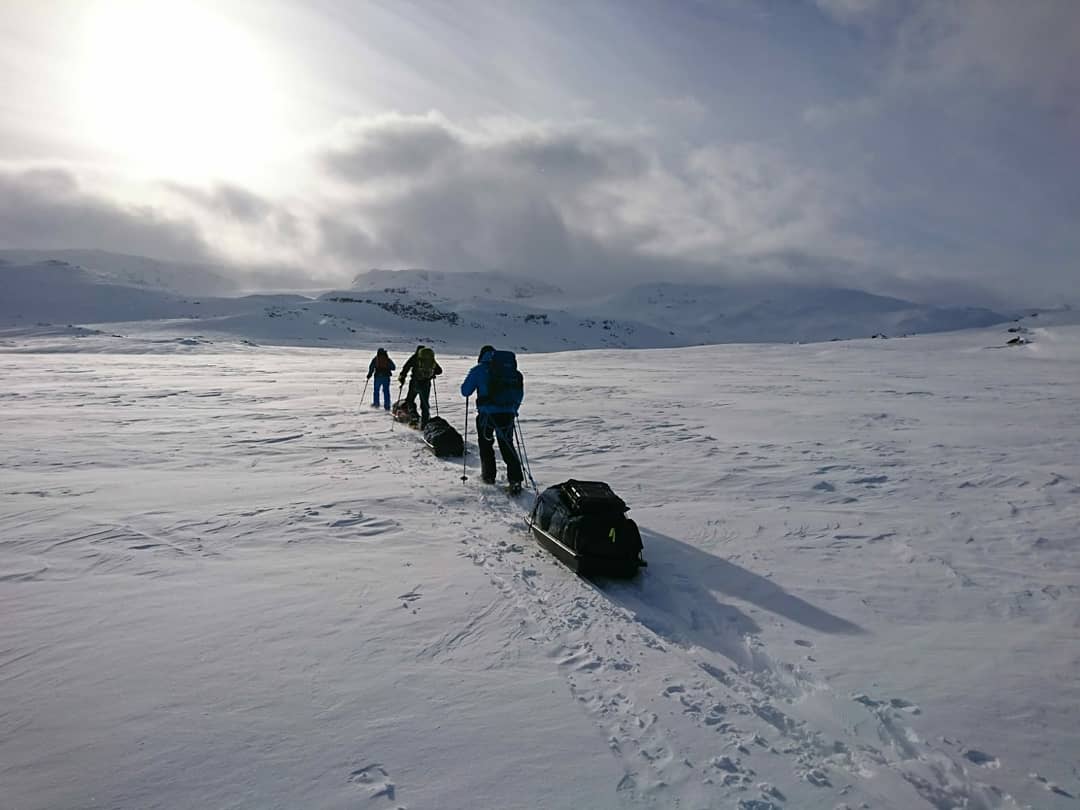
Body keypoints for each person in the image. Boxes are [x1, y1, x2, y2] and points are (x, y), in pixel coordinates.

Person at [461, 344, 524, 494]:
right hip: (507, 414)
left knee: (486, 444)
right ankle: (515, 480)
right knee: (507, 445)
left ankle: (488, 476)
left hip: (487, 415)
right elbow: (519, 394)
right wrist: (512, 409)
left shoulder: (479, 370)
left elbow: (465, 391)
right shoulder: (513, 372)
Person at [398, 345, 442, 428]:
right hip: (426, 384)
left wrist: (402, 377)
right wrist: (432, 374)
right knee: (424, 404)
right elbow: (439, 371)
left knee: (410, 400)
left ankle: (414, 418)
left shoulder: (415, 357)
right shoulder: (430, 359)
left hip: (415, 382)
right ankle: (424, 423)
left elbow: (406, 367)